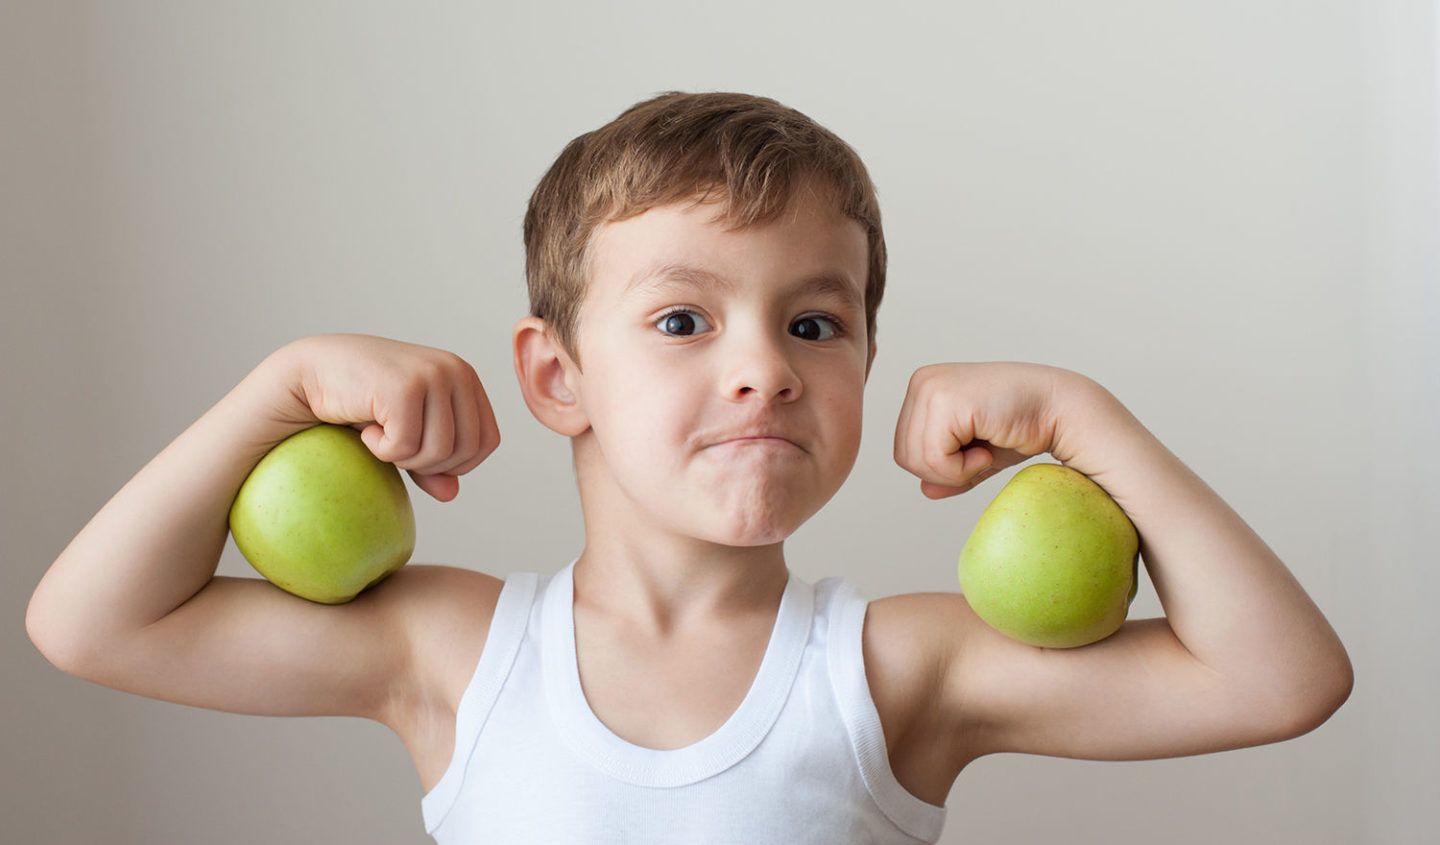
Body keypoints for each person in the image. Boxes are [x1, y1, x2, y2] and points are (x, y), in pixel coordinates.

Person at [26, 91, 1352, 843]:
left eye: (814, 323)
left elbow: (1282, 678)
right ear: (556, 376)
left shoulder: (897, 669)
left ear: (867, 365)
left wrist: (1085, 418)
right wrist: (283, 384)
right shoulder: (457, 650)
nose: (765, 367)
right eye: (682, 319)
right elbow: (89, 622)